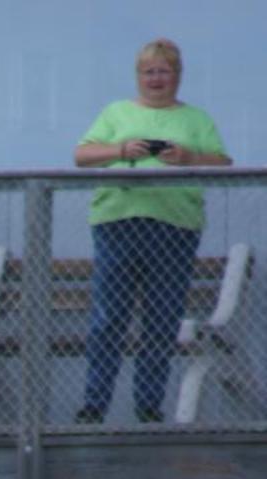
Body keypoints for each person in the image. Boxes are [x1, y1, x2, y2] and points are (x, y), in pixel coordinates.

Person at [73, 39, 230, 424]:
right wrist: (123, 150)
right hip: (118, 223)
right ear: (138, 76)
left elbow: (224, 163)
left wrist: (189, 159)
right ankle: (94, 406)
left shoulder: (197, 119)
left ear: (177, 76)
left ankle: (148, 407)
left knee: (162, 319)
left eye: (164, 71)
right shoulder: (115, 113)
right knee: (109, 317)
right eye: (149, 71)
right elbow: (81, 155)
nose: (156, 78)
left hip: (175, 227)